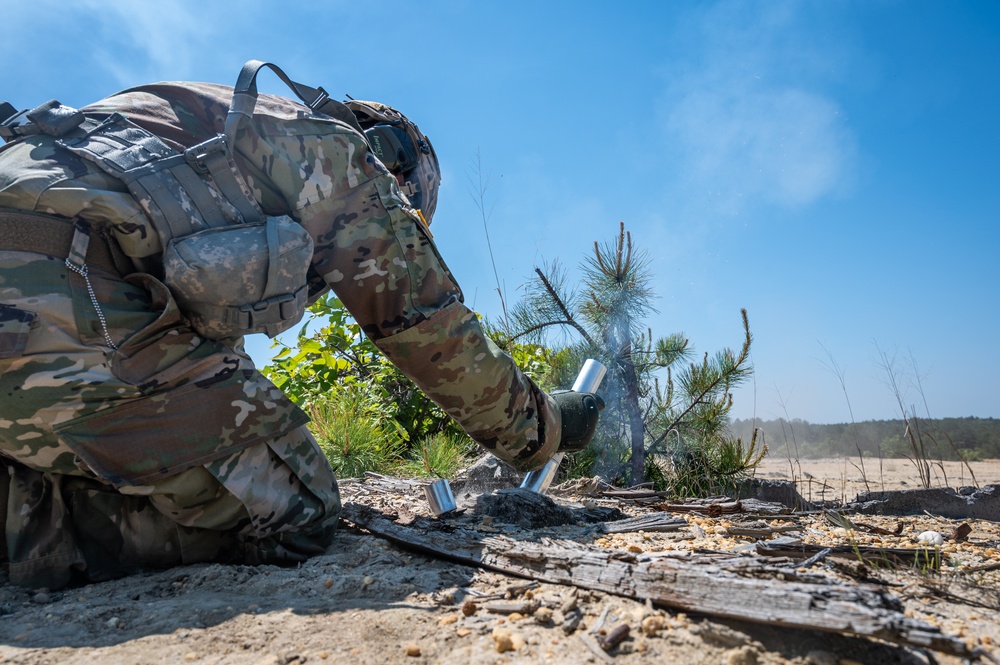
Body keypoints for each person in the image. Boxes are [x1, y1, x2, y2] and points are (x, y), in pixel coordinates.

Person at [0, 61, 602, 589]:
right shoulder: (335, 155)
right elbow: (427, 329)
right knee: (298, 511)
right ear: (397, 168)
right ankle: (34, 552)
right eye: (409, 209)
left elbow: (192, 362)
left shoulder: (197, 124)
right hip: (59, 298)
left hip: (52, 298)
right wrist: (543, 429)